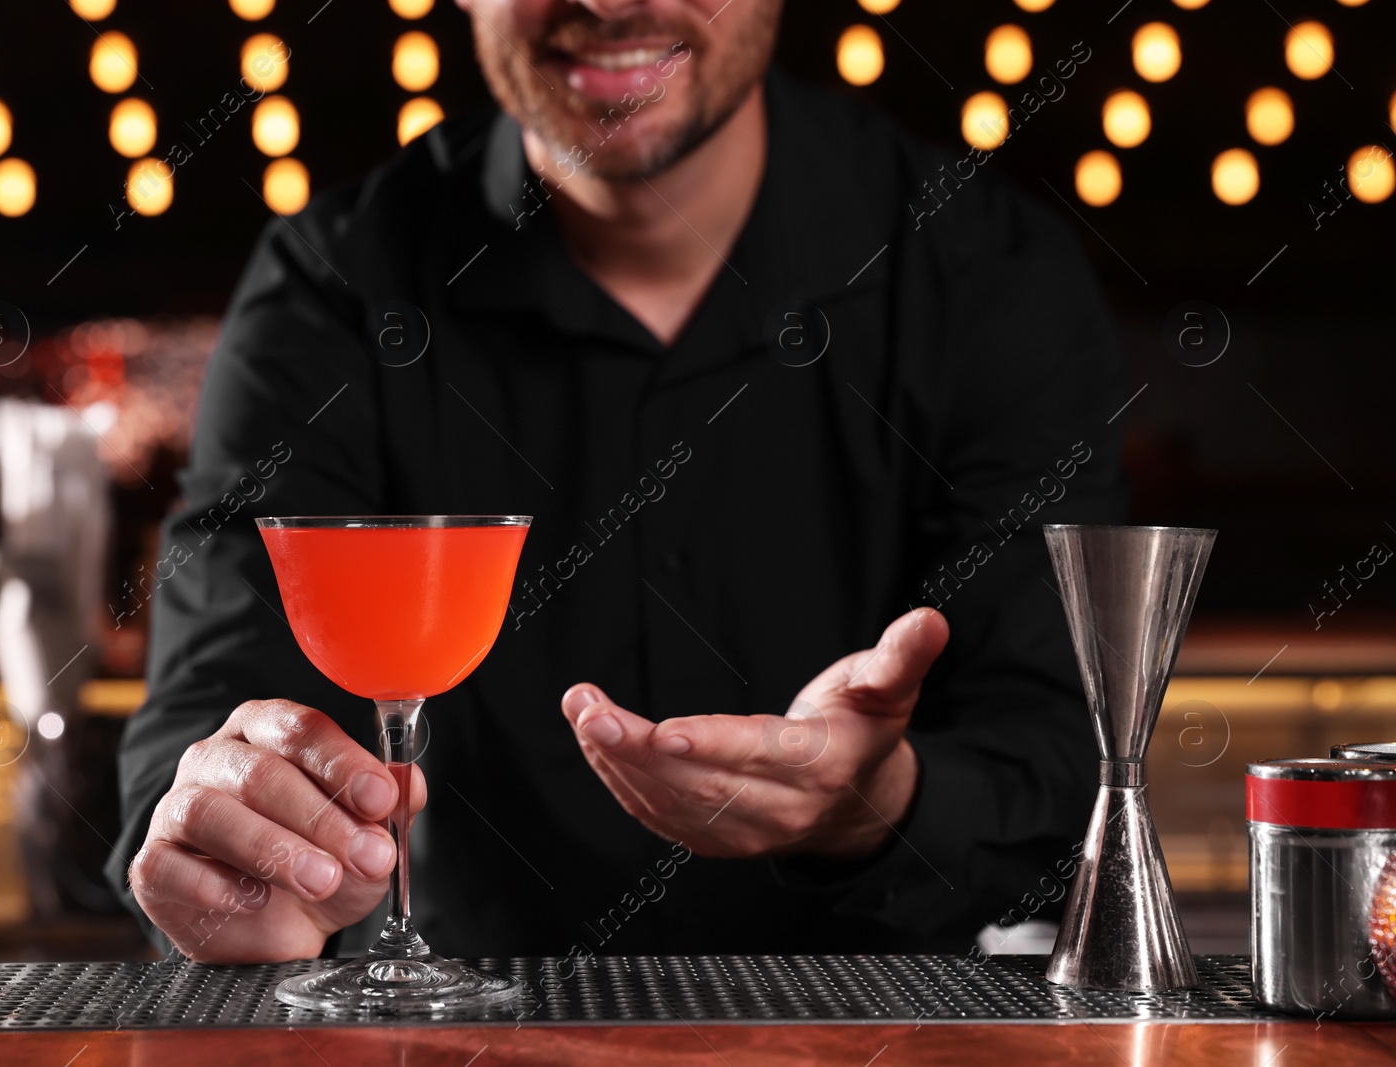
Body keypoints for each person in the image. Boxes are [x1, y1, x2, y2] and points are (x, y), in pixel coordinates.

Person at [112, 0, 1127, 964]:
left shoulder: (988, 272)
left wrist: (883, 798)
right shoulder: (333, 283)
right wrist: (226, 853)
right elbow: (212, 711)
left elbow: (1060, 773)